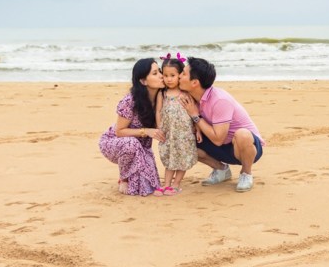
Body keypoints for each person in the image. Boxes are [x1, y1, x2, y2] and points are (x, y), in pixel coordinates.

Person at [177, 57, 264, 193]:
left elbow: (218, 139)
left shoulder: (219, 100)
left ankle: (246, 174)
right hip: (223, 146)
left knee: (242, 134)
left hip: (245, 148)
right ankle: (221, 170)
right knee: (182, 141)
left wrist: (195, 116)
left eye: (183, 74)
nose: (179, 76)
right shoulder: (190, 95)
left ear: (194, 82)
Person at [98, 58, 165, 196]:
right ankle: (123, 177)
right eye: (155, 73)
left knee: (150, 186)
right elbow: (120, 131)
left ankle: (133, 174)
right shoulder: (130, 101)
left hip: (142, 147)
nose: (161, 75)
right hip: (115, 142)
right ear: (143, 81)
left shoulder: (162, 97)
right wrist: (146, 131)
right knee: (131, 143)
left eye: (159, 71)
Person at [153, 53, 196, 195]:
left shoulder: (185, 93)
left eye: (172, 75)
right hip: (168, 133)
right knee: (170, 159)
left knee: (183, 158)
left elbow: (194, 112)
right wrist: (159, 128)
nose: (169, 79)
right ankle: (166, 184)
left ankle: (176, 184)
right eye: (165, 75)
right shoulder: (162, 94)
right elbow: (158, 111)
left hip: (184, 134)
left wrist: (198, 130)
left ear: (180, 75)